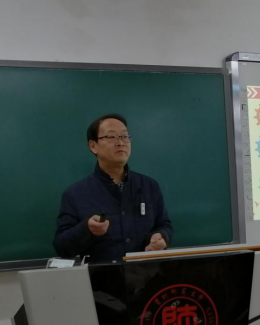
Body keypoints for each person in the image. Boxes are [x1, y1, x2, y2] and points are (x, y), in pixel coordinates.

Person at [53, 113, 173, 263]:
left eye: (125, 136)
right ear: (93, 146)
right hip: (101, 276)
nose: (121, 142)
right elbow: (62, 248)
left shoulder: (149, 186)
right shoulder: (75, 194)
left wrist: (161, 236)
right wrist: (86, 229)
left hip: (147, 273)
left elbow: (164, 225)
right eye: (111, 137)